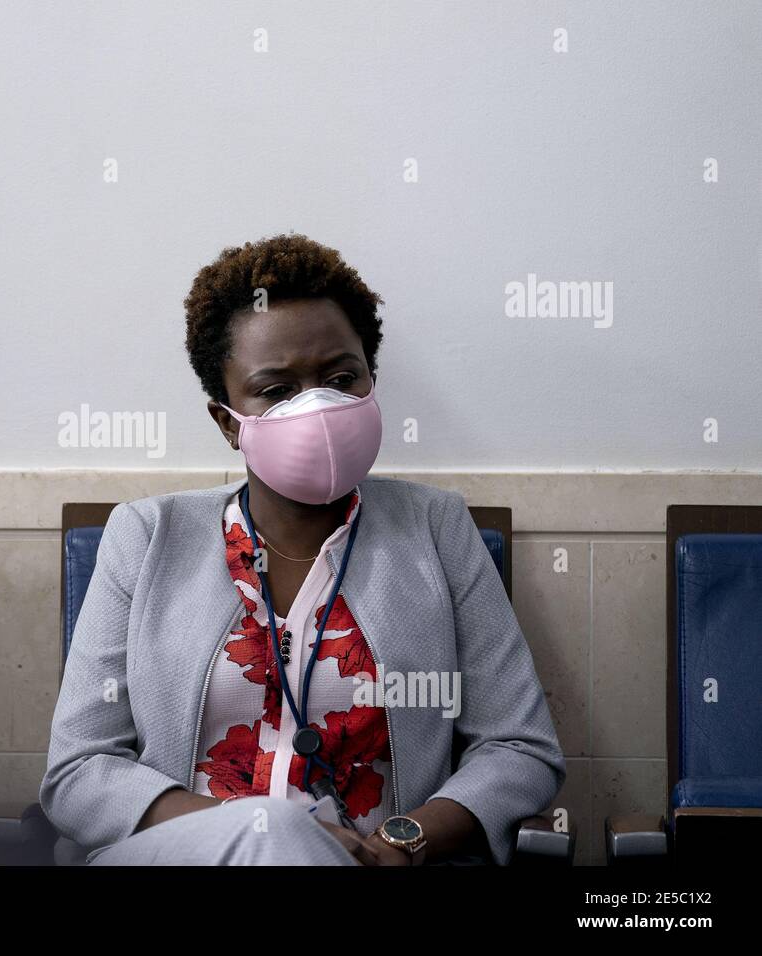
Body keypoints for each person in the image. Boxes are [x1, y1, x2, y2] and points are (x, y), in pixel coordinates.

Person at [40, 233, 565, 865]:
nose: (317, 407)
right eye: (276, 389)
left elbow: (518, 748)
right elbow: (80, 769)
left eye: (342, 379)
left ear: (372, 384)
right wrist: (259, 829)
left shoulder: (435, 529)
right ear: (228, 421)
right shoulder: (146, 537)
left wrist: (406, 840)